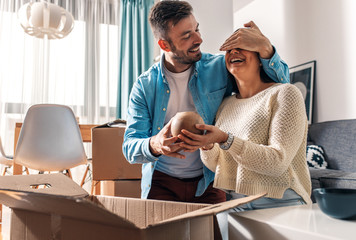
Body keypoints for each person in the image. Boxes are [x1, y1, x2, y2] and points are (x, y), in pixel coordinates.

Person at [122, 0, 290, 204]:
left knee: (215, 234)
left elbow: (281, 85)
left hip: (209, 180)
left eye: (196, 29)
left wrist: (266, 49)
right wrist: (155, 144)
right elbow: (129, 147)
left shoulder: (219, 67)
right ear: (164, 45)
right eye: (187, 36)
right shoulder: (144, 86)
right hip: (161, 182)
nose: (199, 39)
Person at [179, 47, 312, 208]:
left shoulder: (285, 93)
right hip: (236, 201)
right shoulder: (226, 104)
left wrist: (225, 139)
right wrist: (207, 146)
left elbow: (278, 163)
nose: (234, 52)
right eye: (229, 49)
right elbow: (220, 165)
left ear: (261, 60)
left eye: (243, 47)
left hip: (281, 200)